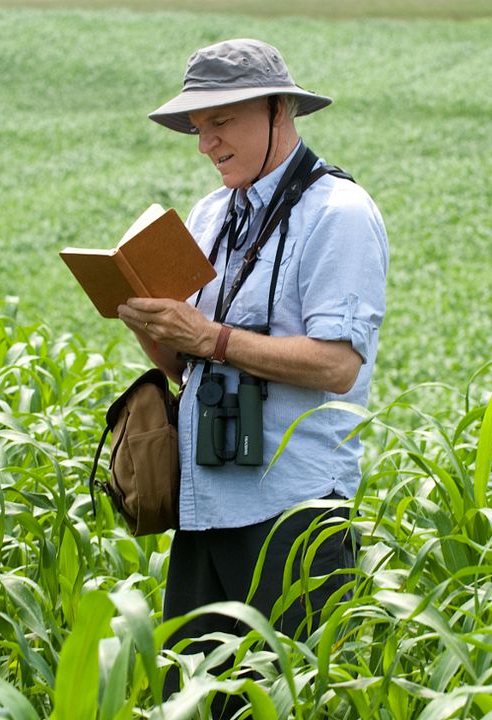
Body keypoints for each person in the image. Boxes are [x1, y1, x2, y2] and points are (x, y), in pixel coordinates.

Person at [116, 38, 388, 710]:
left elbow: (336, 363)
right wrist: (151, 328)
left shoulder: (337, 214)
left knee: (287, 701)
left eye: (220, 121)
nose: (206, 143)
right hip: (205, 508)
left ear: (278, 109)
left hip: (292, 514)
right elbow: (191, 365)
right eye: (197, 128)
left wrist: (210, 334)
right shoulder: (210, 216)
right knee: (196, 703)